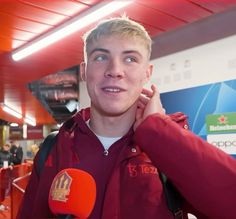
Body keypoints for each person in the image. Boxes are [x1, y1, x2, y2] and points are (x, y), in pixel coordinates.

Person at [17, 16, 236, 219]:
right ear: (84, 71)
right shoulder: (54, 148)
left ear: (147, 73)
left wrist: (158, 132)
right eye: (101, 57)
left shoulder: (169, 145)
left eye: (130, 59)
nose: (115, 70)